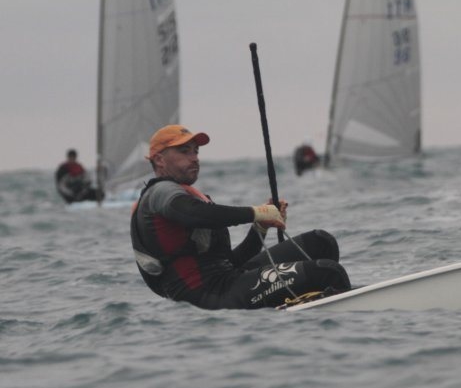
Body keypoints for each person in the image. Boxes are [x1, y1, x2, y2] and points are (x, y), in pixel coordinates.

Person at [130, 124, 351, 310]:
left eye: (196, 151)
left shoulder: (187, 194)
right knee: (328, 273)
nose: (194, 158)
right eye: (184, 151)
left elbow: (233, 261)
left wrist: (260, 227)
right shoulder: (160, 193)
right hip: (209, 297)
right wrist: (255, 212)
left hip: (228, 280)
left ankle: (311, 300)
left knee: (321, 242)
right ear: (159, 160)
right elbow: (194, 213)